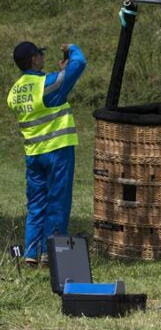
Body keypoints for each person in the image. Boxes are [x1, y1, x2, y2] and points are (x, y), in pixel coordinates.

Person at [6, 41, 86, 266]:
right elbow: (80, 63)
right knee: (58, 202)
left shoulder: (14, 92)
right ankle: (51, 253)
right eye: (40, 54)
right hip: (57, 151)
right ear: (34, 58)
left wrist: (61, 72)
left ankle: (31, 253)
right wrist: (72, 48)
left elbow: (49, 94)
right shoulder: (47, 84)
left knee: (36, 204)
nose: (43, 57)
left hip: (33, 154)